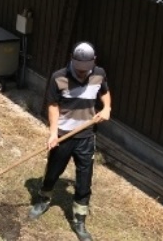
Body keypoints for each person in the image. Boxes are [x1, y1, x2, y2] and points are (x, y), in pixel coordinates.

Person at [28, 41, 112, 241]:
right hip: (64, 135)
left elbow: (105, 92)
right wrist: (53, 133)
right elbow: (53, 105)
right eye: (79, 69)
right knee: (53, 172)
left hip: (86, 136)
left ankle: (79, 220)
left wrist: (107, 108)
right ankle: (43, 198)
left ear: (94, 62)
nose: (82, 73)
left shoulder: (99, 73)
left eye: (86, 69)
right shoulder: (59, 77)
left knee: (84, 180)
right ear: (72, 60)